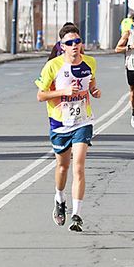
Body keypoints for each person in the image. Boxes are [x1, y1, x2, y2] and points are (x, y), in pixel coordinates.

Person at [35, 25, 99, 231]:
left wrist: (95, 91)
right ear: (62, 46)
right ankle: (59, 198)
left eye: (77, 42)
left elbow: (92, 85)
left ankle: (77, 215)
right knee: (63, 167)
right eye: (69, 43)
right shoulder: (52, 66)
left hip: (83, 120)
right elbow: (41, 95)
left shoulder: (90, 62)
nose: (74, 46)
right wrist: (63, 91)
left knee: (79, 166)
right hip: (60, 123)